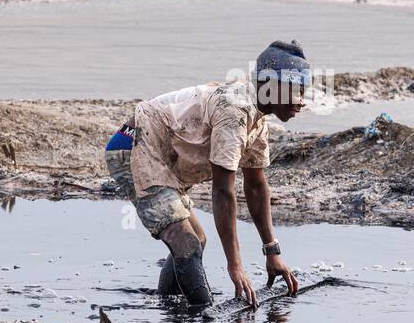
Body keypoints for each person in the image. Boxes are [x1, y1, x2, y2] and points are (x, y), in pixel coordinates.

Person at [104, 40, 308, 309]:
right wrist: (235, 266)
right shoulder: (236, 110)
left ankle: (169, 308)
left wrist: (273, 252)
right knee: (186, 243)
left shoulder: (256, 121)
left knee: (196, 241)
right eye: (298, 91)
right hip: (136, 148)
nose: (302, 102)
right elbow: (223, 191)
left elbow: (256, 188)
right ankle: (203, 319)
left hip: (164, 160)